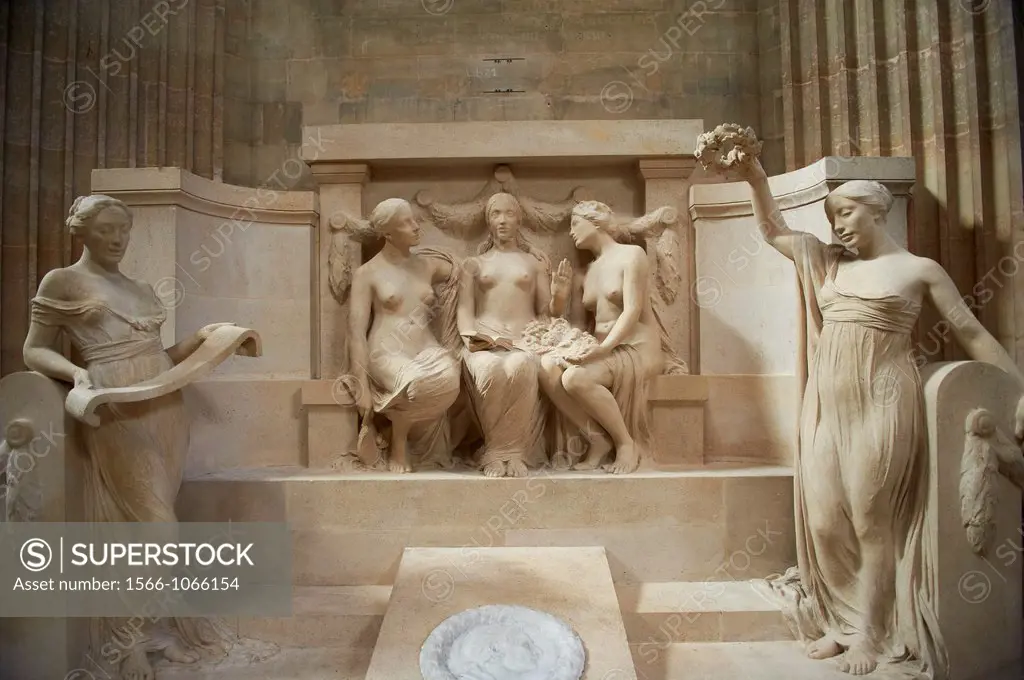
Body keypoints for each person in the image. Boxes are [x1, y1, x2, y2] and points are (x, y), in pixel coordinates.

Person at [735, 156, 1024, 677]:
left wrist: (1018, 390)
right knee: (823, 520)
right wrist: (755, 176)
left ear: (877, 211)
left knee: (872, 521)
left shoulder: (918, 270)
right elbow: (773, 228)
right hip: (825, 405)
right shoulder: (826, 262)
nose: (837, 225)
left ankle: (870, 632)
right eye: (831, 217)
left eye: (845, 212)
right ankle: (840, 622)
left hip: (885, 401)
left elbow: (973, 333)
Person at [23, 194, 230, 680]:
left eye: (123, 230)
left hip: (165, 405)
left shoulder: (138, 287)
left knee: (150, 527)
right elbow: (33, 350)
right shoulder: (64, 281)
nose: (117, 239)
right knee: (158, 529)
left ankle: (155, 631)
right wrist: (76, 373)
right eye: (106, 230)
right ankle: (125, 642)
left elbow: (159, 354)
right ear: (82, 231)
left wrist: (202, 339)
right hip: (114, 405)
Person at [539, 200, 665, 474]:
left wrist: (604, 348)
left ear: (595, 221)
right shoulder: (585, 273)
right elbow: (575, 323)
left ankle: (624, 444)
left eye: (575, 224)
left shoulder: (632, 255)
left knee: (575, 378)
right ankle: (597, 439)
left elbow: (632, 310)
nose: (571, 233)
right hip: (599, 349)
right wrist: (557, 300)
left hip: (635, 347)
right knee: (548, 367)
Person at [348, 198, 461, 473]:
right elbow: (355, 332)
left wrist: (529, 253)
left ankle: (395, 429)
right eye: (406, 222)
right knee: (415, 383)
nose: (416, 226)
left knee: (450, 382)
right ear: (387, 234)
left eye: (414, 219)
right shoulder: (367, 274)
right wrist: (360, 383)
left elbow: (467, 270)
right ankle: (399, 442)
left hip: (426, 349)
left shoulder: (426, 265)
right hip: (386, 352)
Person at [456, 193, 557, 477]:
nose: (502, 220)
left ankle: (511, 452)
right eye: (495, 214)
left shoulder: (533, 263)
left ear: (519, 218)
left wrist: (559, 294)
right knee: (489, 370)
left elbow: (545, 309)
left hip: (523, 339)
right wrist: (470, 338)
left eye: (508, 213)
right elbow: (465, 309)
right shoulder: (473, 264)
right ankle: (496, 450)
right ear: (488, 221)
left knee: (521, 367)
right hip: (484, 340)